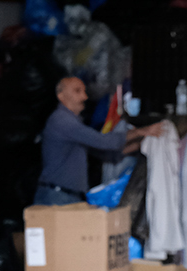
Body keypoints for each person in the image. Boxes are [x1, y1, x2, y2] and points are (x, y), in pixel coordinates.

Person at [34, 76, 160, 205]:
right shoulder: (62, 121)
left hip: (65, 196)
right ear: (61, 96)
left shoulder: (72, 123)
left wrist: (141, 144)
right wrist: (142, 131)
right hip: (57, 198)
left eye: (84, 91)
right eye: (77, 91)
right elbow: (103, 142)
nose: (84, 97)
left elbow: (103, 152)